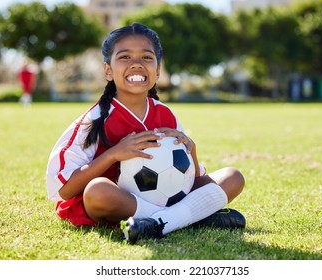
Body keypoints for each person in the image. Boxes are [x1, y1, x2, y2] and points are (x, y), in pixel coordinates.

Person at [46, 23, 245, 245]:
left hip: (169, 196)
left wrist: (192, 150)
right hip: (120, 203)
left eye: (147, 58)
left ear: (158, 70)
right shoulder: (92, 121)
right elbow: (63, 190)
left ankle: (158, 223)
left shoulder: (165, 114)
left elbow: (191, 178)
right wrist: (113, 154)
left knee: (233, 177)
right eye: (124, 57)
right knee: (97, 190)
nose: (137, 64)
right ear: (108, 71)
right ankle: (186, 218)